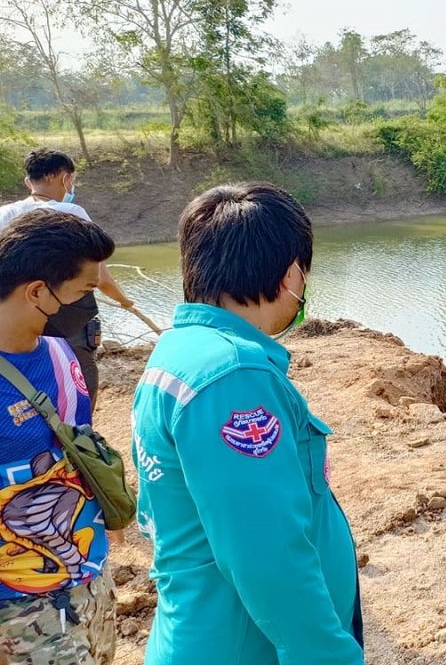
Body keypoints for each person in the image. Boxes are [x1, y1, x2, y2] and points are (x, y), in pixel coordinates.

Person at [131, 182, 363, 664]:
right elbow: (267, 554)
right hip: (241, 644)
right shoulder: (232, 377)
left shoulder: (183, 351)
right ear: (292, 273)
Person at [0, 209, 118, 664]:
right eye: (84, 291)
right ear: (37, 292)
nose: (87, 305)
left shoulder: (60, 354)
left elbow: (77, 444)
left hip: (88, 578)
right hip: (19, 604)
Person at [0, 148, 135, 409]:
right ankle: (79, 433)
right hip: (63, 316)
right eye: (71, 179)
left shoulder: (4, 213)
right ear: (63, 178)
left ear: (30, 182)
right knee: (79, 377)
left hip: (11, 320)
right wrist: (124, 300)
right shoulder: (70, 211)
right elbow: (99, 276)